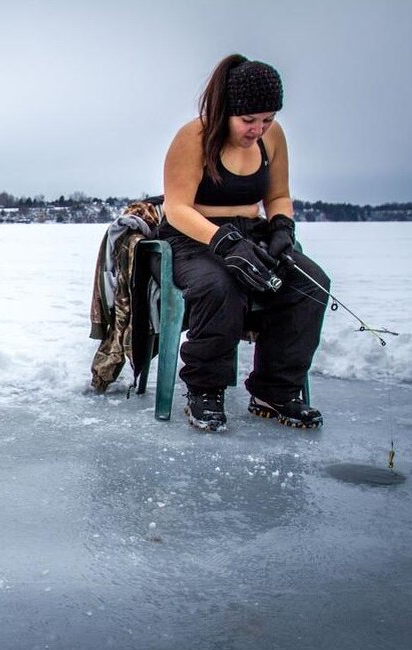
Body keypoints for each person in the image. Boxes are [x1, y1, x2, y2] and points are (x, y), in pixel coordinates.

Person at [158, 54, 329, 432]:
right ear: (226, 110)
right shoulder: (195, 137)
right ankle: (205, 389)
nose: (258, 129)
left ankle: (276, 390)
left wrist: (283, 227)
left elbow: (279, 195)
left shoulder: (273, 137)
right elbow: (177, 208)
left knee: (309, 284)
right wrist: (223, 244)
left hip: (251, 230)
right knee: (219, 285)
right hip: (194, 235)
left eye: (266, 119)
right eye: (248, 120)